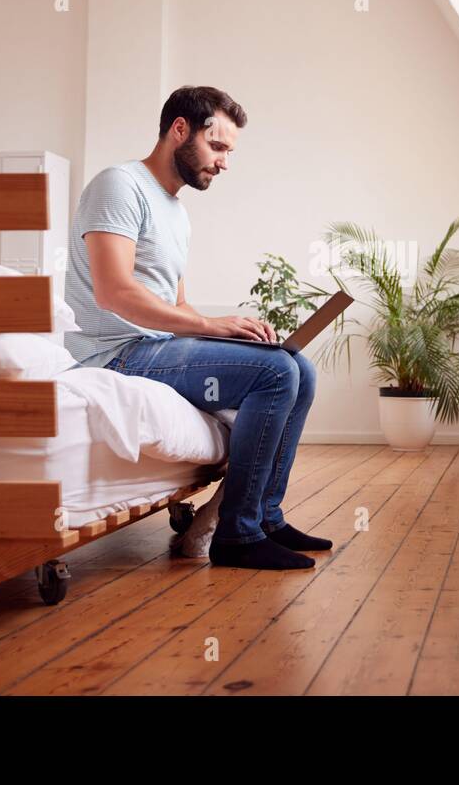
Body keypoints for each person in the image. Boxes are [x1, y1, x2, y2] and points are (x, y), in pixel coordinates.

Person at [64, 85, 330, 571]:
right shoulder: (118, 185)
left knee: (298, 368)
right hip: (116, 353)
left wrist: (227, 332)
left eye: (229, 150)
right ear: (179, 130)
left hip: (155, 346)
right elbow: (114, 292)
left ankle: (266, 517)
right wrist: (210, 325)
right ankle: (237, 534)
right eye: (219, 146)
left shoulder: (177, 211)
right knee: (275, 375)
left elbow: (176, 303)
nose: (225, 163)